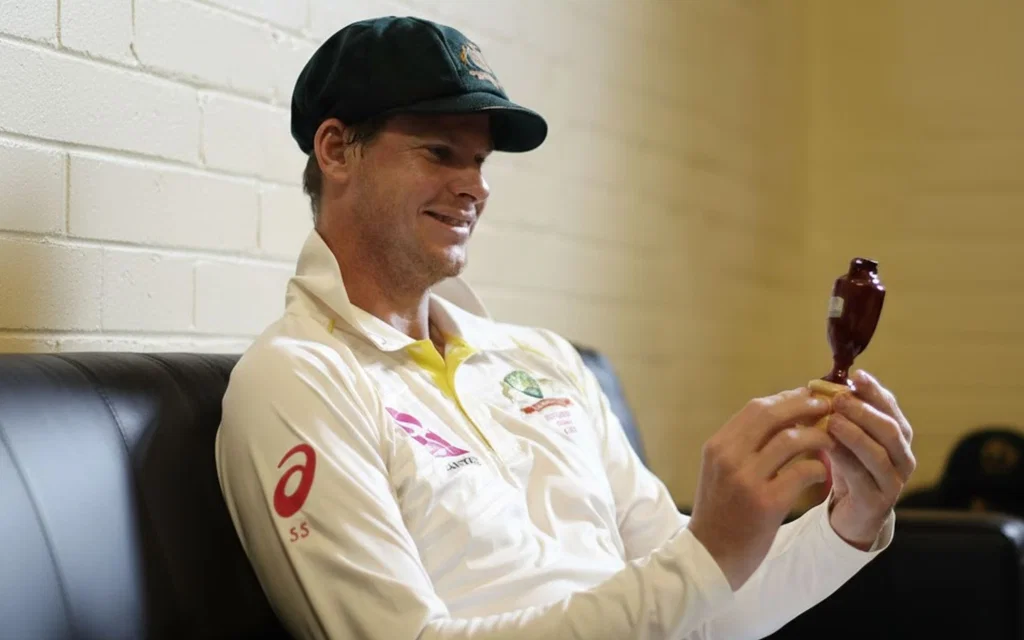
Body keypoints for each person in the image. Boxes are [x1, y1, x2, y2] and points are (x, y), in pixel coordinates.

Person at [214, 15, 916, 640]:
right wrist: (703, 557)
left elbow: (707, 611)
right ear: (336, 151)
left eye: (480, 162)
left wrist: (847, 522)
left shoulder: (541, 359)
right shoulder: (298, 378)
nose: (476, 187)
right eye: (440, 153)